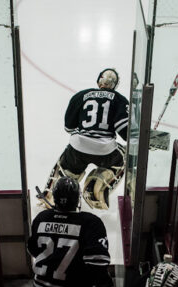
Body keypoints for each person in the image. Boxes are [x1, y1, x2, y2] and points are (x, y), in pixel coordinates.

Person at [40, 68, 129, 210]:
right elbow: (126, 133)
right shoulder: (119, 99)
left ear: (99, 80)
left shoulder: (80, 96)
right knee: (125, 157)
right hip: (105, 151)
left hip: (78, 148)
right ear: (115, 86)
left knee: (66, 161)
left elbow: (69, 128)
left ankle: (52, 195)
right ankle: (95, 188)